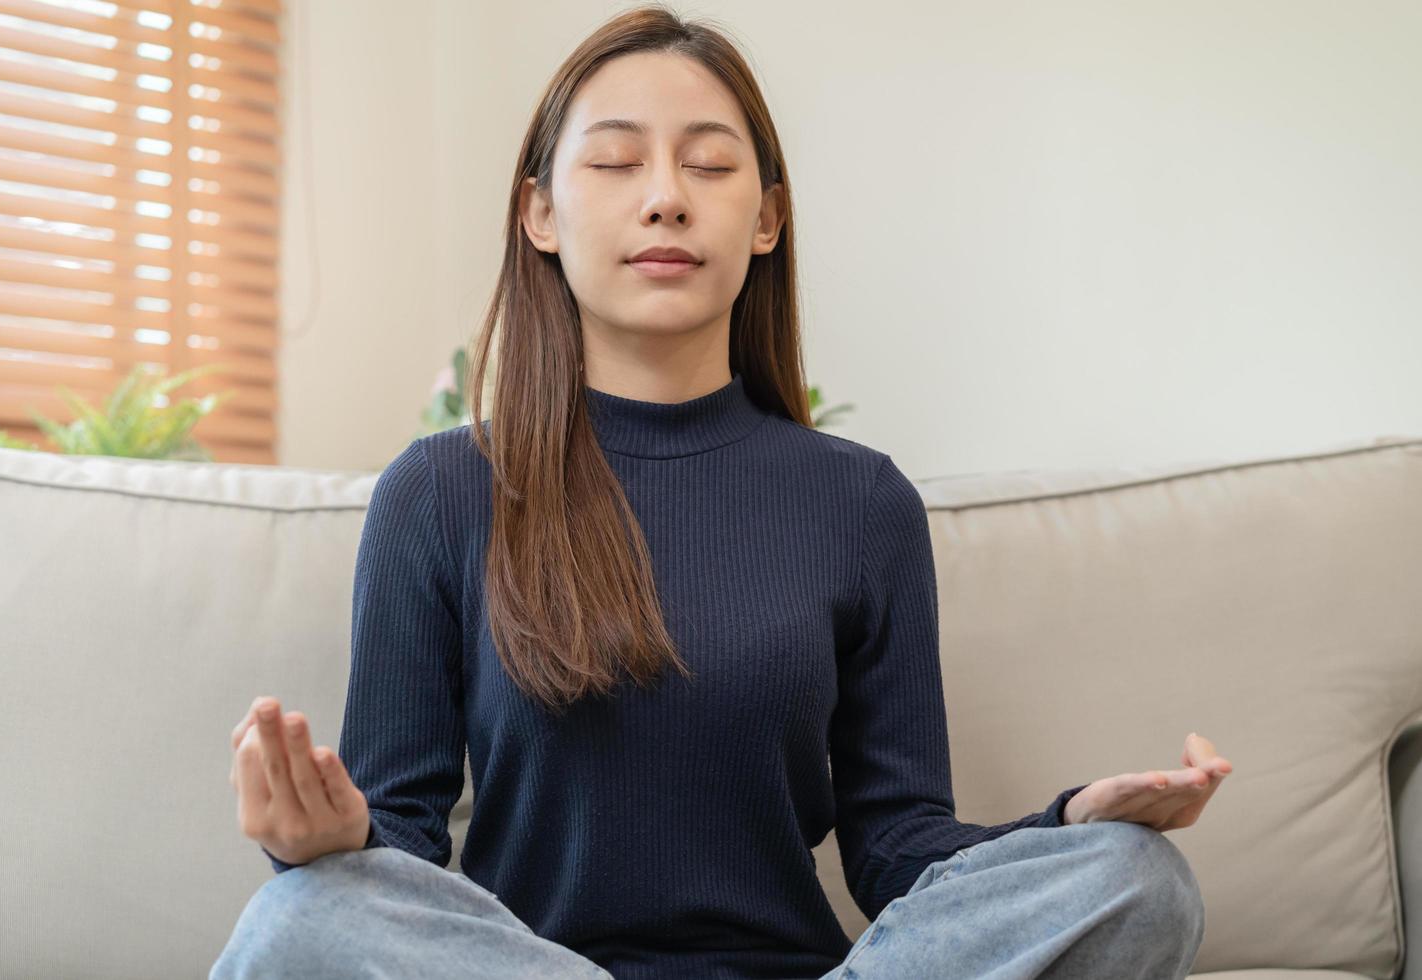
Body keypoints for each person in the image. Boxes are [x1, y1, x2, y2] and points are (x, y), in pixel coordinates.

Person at [212, 5, 1232, 978]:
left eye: (709, 163)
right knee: (301, 915)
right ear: (540, 214)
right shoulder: (437, 493)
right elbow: (395, 847)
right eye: (614, 162)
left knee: (1137, 876)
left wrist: (1068, 823)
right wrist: (331, 840)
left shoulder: (863, 502)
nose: (665, 195)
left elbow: (897, 847)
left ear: (767, 218)